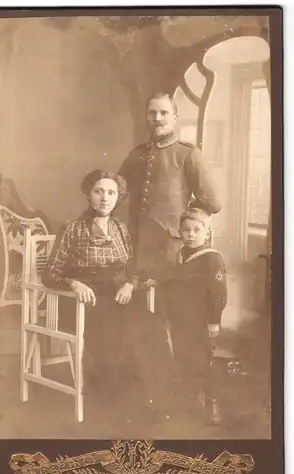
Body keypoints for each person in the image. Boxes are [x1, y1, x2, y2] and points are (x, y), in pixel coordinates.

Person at [42, 169, 173, 425]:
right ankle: (122, 408)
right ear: (87, 194)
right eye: (98, 191)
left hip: (118, 296)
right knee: (117, 335)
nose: (105, 198)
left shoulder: (120, 228)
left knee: (152, 329)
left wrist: (130, 284)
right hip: (87, 302)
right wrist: (73, 283)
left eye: (111, 192)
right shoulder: (72, 229)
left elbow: (132, 268)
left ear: (118, 197)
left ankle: (155, 401)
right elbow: (50, 275)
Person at [119, 91, 222, 284]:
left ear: (175, 118)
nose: (157, 118)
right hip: (135, 245)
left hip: (170, 248)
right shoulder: (136, 155)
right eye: (152, 113)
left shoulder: (188, 154)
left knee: (167, 304)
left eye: (164, 113)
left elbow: (213, 202)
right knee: (136, 304)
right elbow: (116, 191)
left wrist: (183, 218)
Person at [160, 208, 227, 425]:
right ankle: (192, 399)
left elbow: (218, 294)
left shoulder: (212, 259)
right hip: (181, 320)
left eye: (197, 230)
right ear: (180, 231)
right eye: (186, 229)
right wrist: (158, 282)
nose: (191, 234)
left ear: (207, 233)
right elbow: (176, 280)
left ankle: (212, 403)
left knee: (204, 362)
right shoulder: (181, 255)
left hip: (202, 322)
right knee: (184, 358)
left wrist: (213, 321)